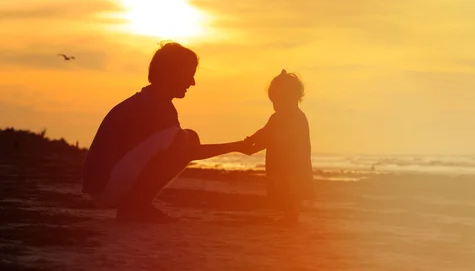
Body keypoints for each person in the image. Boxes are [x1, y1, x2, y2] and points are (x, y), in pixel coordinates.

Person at [82, 42, 250, 223]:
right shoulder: (151, 105)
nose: (192, 82)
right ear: (173, 73)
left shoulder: (154, 102)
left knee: (188, 137)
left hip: (106, 185)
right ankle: (135, 208)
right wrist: (236, 146)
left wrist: (236, 146)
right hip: (105, 187)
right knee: (181, 138)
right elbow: (186, 152)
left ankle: (138, 206)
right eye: (189, 74)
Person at [244, 69, 314, 225]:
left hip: (291, 161)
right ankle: (289, 215)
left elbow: (272, 135)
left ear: (294, 98)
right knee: (285, 188)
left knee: (291, 189)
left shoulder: (295, 117)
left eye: (278, 101)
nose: (275, 106)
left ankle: (292, 217)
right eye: (274, 102)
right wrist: (252, 140)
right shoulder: (280, 116)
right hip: (282, 161)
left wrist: (254, 143)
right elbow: (266, 132)